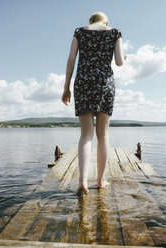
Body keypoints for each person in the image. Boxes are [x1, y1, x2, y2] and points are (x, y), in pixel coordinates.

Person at [62, 11, 126, 193]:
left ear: (90, 22)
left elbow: (71, 58)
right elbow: (120, 62)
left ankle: (82, 181)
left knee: (85, 135)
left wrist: (66, 87)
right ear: (106, 22)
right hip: (105, 83)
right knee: (103, 134)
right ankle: (100, 180)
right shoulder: (114, 32)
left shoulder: (80, 32)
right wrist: (125, 56)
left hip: (83, 81)